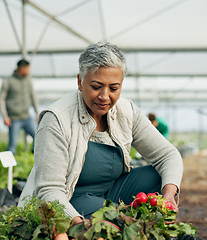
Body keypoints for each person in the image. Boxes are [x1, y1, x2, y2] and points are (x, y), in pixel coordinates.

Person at [18, 42, 183, 227]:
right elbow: (50, 189)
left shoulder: (126, 111)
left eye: (114, 88)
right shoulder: (57, 119)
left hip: (113, 191)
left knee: (161, 178)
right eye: (96, 86)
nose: (105, 96)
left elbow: (168, 155)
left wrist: (169, 194)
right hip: (73, 199)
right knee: (113, 218)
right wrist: (79, 225)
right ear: (80, 81)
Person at [0, 59, 38, 154]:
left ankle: (34, 155)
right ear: (22, 68)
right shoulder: (8, 81)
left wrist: (37, 113)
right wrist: (5, 116)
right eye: (28, 69)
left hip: (27, 117)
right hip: (13, 118)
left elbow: (33, 97)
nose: (29, 71)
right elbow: (1, 100)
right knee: (12, 144)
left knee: (38, 136)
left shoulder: (28, 80)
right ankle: (9, 167)